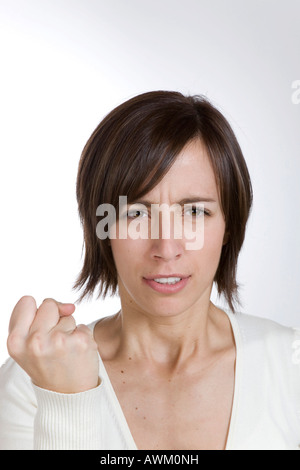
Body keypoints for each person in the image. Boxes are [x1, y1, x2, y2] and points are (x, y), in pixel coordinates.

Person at [0, 90, 299, 450]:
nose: (166, 248)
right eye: (136, 214)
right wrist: (66, 401)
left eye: (194, 212)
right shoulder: (35, 380)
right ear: (103, 229)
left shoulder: (291, 368)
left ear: (229, 225)